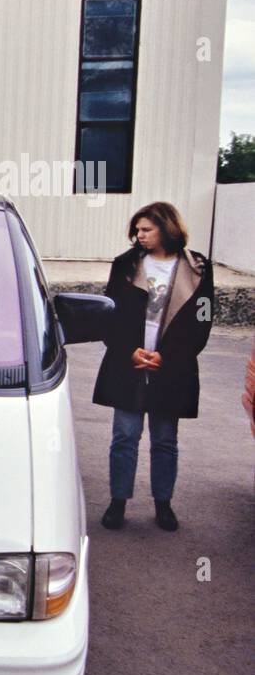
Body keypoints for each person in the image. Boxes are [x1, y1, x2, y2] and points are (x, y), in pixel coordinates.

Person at [94, 201, 214, 532]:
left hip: (171, 370)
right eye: (137, 230)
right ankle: (118, 502)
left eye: (146, 229)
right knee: (124, 436)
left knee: (164, 439)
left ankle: (164, 504)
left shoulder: (199, 268)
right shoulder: (125, 265)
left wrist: (171, 357)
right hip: (128, 363)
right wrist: (127, 350)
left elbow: (203, 319)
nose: (139, 235)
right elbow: (110, 313)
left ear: (167, 228)